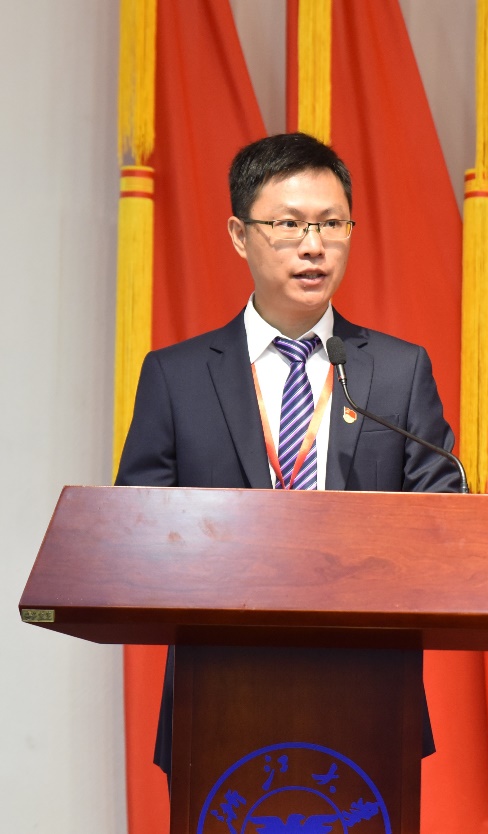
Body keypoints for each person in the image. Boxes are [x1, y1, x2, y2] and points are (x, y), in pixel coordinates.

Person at [115, 132, 461, 782]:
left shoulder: (397, 371)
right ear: (239, 235)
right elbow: (137, 531)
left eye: (332, 224)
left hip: (369, 691)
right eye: (289, 225)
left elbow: (443, 520)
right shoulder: (176, 376)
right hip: (217, 689)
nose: (313, 245)